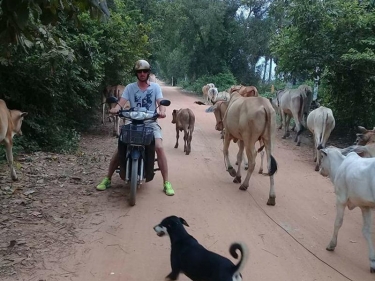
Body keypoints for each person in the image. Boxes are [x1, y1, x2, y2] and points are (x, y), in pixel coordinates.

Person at [96, 59, 175, 196]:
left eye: (145, 71)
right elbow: (121, 104)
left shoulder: (155, 87)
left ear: (148, 72)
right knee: (121, 145)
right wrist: (115, 109)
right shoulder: (130, 87)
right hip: (132, 121)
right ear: (136, 74)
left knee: (159, 147)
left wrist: (162, 111)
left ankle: (166, 182)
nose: (142, 73)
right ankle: (108, 178)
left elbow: (160, 102)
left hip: (150, 122)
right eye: (139, 71)